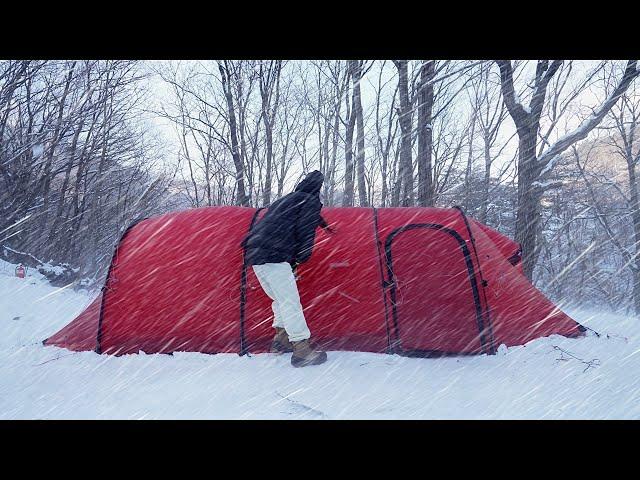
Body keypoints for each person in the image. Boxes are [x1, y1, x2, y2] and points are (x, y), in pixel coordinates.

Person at [242, 170, 331, 367]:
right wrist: (300, 258)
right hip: (274, 255)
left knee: (281, 300)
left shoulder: (287, 200)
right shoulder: (309, 202)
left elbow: (274, 226)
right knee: (291, 302)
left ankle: (281, 340)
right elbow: (305, 232)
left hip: (255, 254)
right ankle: (301, 349)